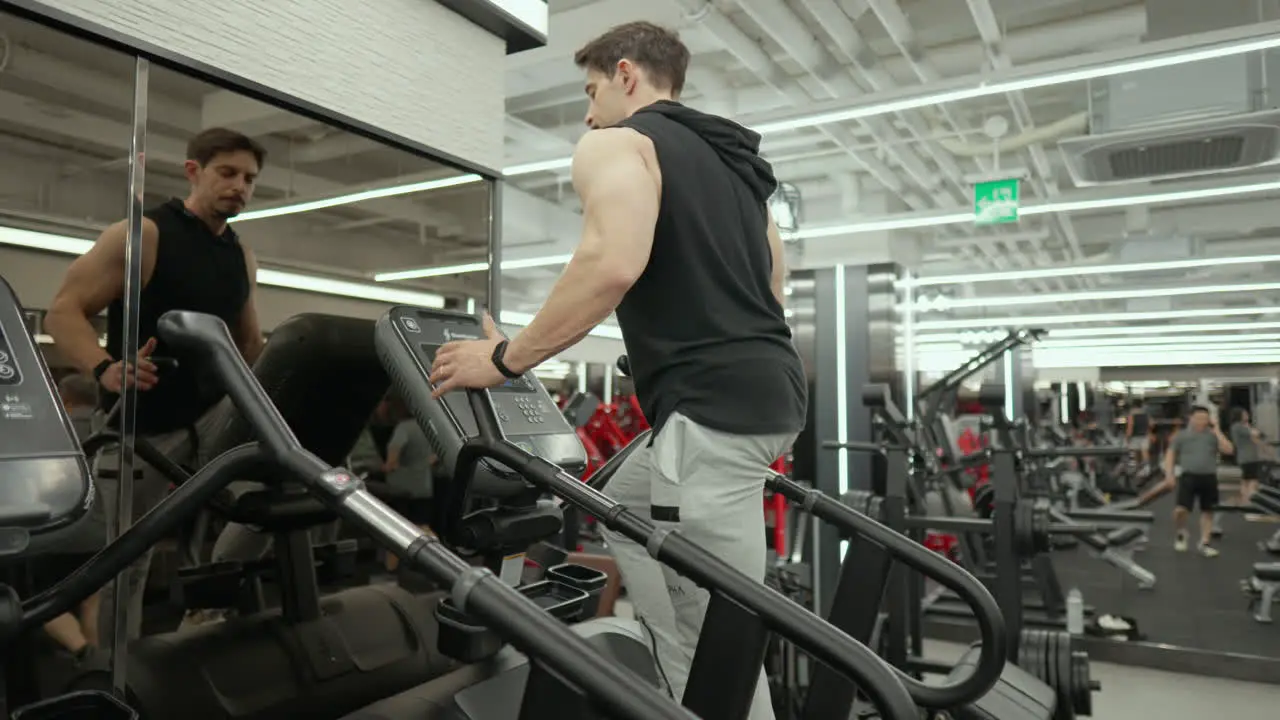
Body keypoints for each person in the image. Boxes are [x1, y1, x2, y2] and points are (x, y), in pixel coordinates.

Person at [426, 22, 806, 718]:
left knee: (720, 627)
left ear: (626, 75)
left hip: (712, 417)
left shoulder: (616, 143)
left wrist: (505, 359)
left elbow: (611, 262)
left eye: (591, 89)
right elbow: (773, 285)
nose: (586, 110)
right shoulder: (737, 168)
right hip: (775, 396)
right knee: (625, 501)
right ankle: (672, 673)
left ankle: (698, 685)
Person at [45, 127, 267, 643]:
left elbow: (250, 343)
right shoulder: (143, 236)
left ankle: (206, 610)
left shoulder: (241, 255)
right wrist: (106, 368)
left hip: (211, 418)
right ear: (194, 171)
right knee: (129, 560)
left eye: (250, 179)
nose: (240, 186)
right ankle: (118, 670)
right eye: (227, 173)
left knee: (270, 492)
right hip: (146, 426)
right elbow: (64, 313)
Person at [34, 374, 106, 661]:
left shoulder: (48, 432)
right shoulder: (108, 428)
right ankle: (98, 665)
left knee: (39, 600)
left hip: (59, 534)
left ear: (64, 400)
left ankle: (81, 650)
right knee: (91, 602)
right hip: (100, 535)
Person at [1163, 406, 1233, 557]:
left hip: (1209, 476)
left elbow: (1229, 450)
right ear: (1191, 418)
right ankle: (1181, 532)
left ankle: (1205, 542)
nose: (1202, 421)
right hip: (1188, 476)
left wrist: (1217, 429)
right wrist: (1169, 474)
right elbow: (1170, 455)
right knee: (1180, 510)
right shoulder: (1181, 436)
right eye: (1199, 418)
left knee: (1207, 511)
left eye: (1205, 418)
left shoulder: (1213, 435)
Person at [1229, 407, 1263, 506]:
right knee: (1252, 479)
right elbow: (1255, 433)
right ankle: (1249, 499)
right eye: (1244, 414)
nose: (1247, 415)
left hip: (1248, 456)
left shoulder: (1242, 426)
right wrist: (1253, 430)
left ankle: (1246, 498)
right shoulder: (1238, 426)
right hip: (1248, 457)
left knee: (1246, 479)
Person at [1124, 398, 1151, 465]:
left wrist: (1127, 437)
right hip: (1145, 435)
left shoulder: (1132, 414)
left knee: (1137, 455)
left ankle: (1138, 469)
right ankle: (1147, 468)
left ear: (1133, 405)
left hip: (1135, 436)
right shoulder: (1145, 414)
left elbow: (1130, 426)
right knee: (1145, 452)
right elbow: (1151, 423)